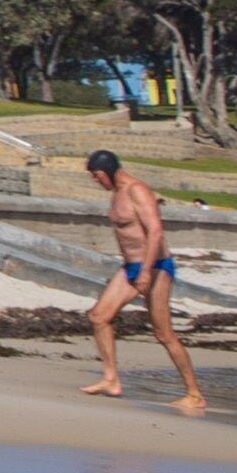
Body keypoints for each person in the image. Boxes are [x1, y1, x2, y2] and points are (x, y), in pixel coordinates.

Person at [82, 149, 208, 414]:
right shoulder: (116, 192)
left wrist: (146, 271)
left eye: (96, 176)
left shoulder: (137, 190)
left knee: (163, 333)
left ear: (107, 171)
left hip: (156, 267)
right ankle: (111, 379)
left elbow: (155, 230)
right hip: (130, 266)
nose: (95, 181)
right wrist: (135, 270)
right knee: (98, 317)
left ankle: (194, 394)